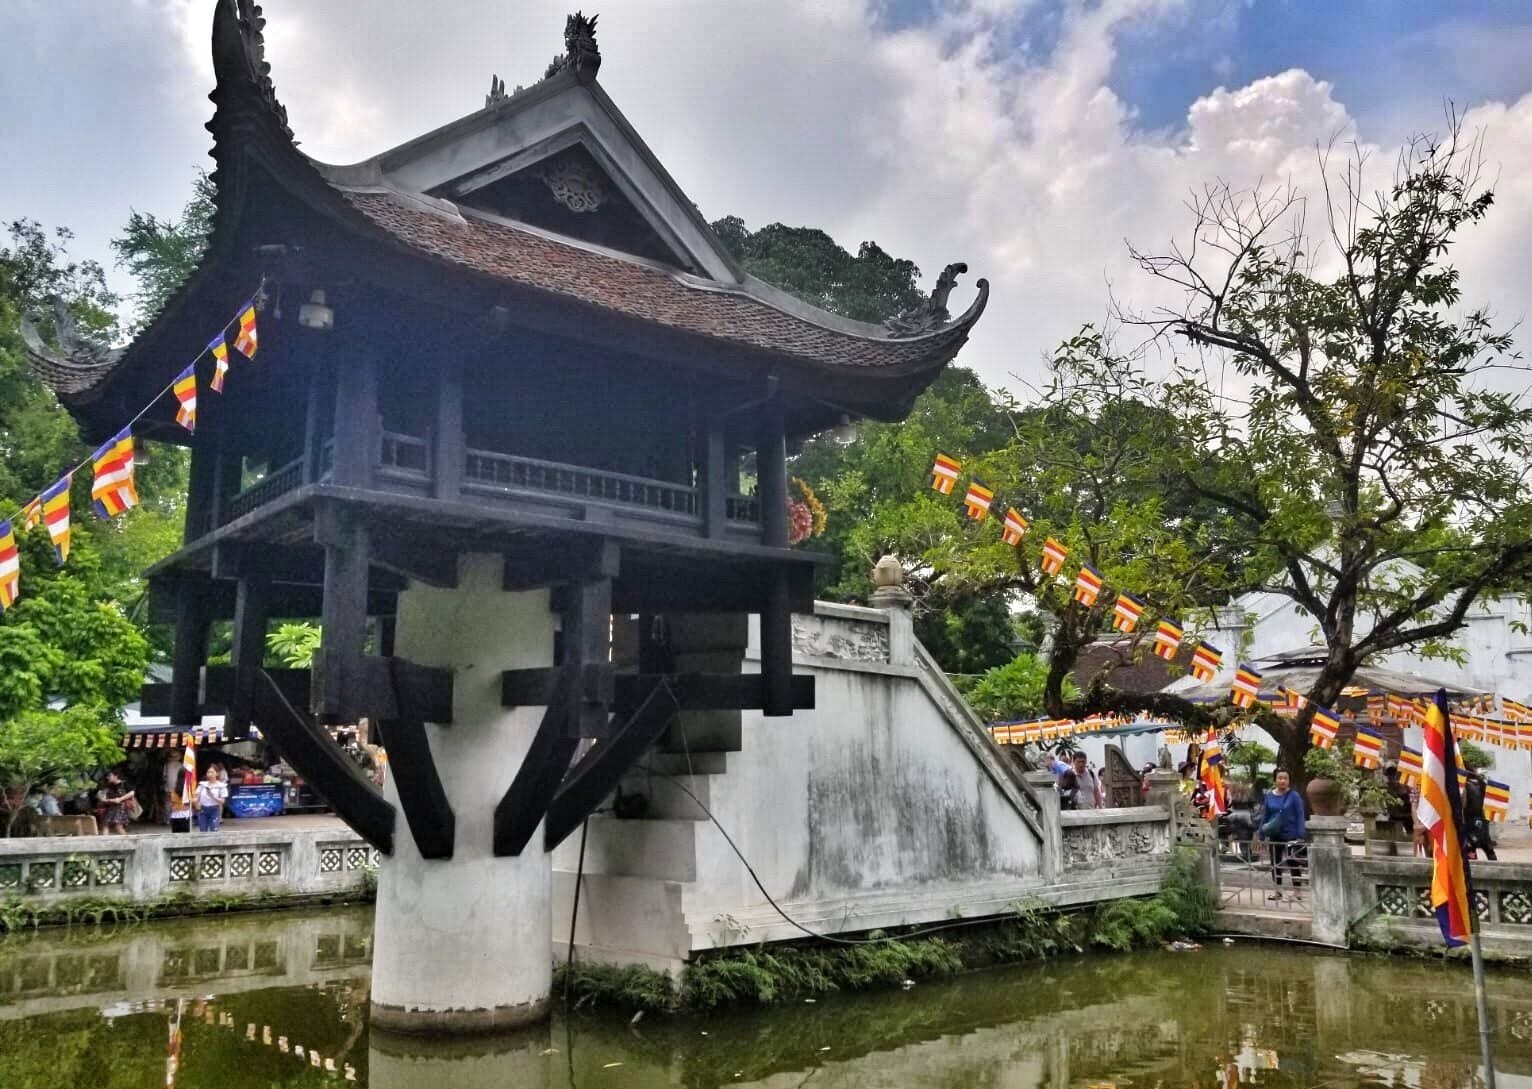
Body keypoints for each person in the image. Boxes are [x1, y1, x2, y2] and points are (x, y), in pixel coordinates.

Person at [1259, 769, 1307, 901]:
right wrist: (1261, 834)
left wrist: (1300, 834)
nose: (1283, 781)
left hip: (1291, 835)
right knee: (1275, 863)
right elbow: (1265, 816)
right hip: (1275, 834)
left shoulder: (1294, 796)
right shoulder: (1269, 796)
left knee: (1293, 862)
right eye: (1280, 778)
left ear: (1289, 780)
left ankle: (1297, 892)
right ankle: (1277, 891)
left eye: (1285, 778)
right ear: (1275, 780)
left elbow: (1300, 815)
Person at [1463, 772, 1497, 861]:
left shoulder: (1466, 786)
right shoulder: (1482, 784)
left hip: (1470, 821)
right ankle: (1494, 865)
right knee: (1488, 847)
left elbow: (1463, 805)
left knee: (1471, 846)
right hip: (1482, 820)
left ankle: (1473, 866)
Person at [99, 770, 136, 835]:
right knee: (105, 824)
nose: (108, 777)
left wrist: (120, 799)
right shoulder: (109, 785)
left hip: (121, 807)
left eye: (109, 776)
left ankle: (126, 840)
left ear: (116, 776)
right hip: (111, 807)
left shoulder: (124, 784)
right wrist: (104, 799)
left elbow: (132, 793)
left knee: (118, 826)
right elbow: (102, 794)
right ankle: (105, 841)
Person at [197, 765, 229, 832]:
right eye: (208, 772)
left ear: (217, 773)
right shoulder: (202, 785)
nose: (210, 774)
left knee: (213, 829)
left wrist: (213, 796)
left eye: (212, 772)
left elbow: (222, 801)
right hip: (203, 809)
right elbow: (196, 797)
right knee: (202, 830)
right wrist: (196, 802)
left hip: (214, 809)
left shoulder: (221, 786)